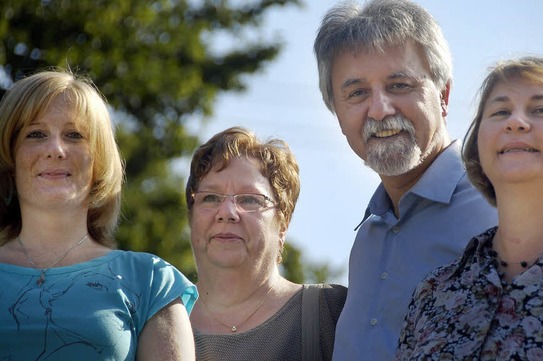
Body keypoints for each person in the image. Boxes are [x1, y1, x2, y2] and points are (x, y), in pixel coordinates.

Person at [396, 56, 543, 360]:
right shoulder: (433, 292)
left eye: (541, 109)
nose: (515, 122)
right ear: (479, 150)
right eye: (500, 111)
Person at [313, 0, 497, 358]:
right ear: (336, 112)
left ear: (443, 95)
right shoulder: (369, 236)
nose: (380, 109)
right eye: (356, 93)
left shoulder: (498, 210)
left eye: (399, 85)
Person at [0, 70, 198, 360]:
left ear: (99, 159)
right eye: (35, 134)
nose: (55, 149)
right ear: (9, 156)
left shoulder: (152, 282)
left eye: (74, 135)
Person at [186, 126, 347, 360]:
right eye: (210, 197)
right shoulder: (150, 320)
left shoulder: (331, 313)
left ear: (283, 223)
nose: (227, 212)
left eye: (249, 199)